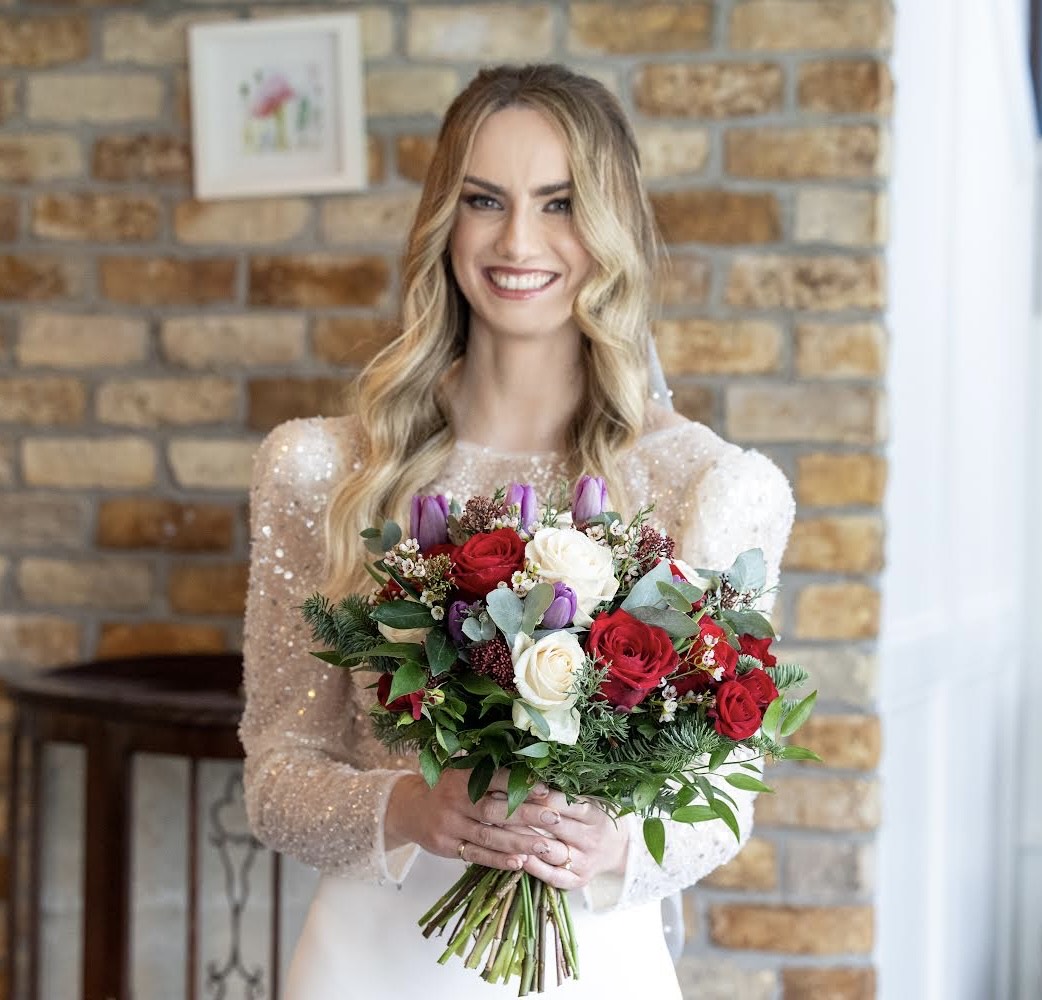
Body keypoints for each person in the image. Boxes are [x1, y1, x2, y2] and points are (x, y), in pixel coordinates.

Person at [241, 63, 794, 998]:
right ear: (442, 223)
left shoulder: (706, 489)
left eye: (560, 203)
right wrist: (410, 808)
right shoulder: (322, 472)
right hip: (371, 963)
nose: (516, 240)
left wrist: (612, 840)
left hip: (592, 964)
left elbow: (727, 792)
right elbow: (276, 773)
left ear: (609, 228)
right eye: (483, 200)